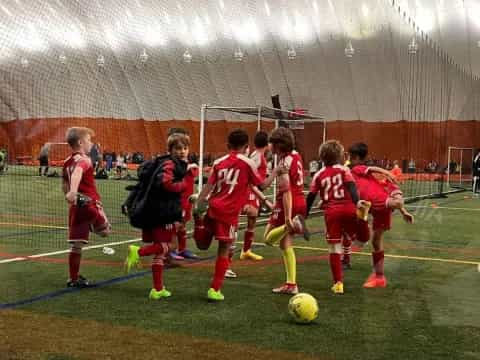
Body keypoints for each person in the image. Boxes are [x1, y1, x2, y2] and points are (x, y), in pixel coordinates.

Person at [191, 129, 277, 301]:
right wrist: (276, 172)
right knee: (224, 250)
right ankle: (215, 289)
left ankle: (197, 221)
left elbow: (208, 187)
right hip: (228, 214)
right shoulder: (248, 163)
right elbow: (262, 185)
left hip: (213, 208)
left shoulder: (218, 162)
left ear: (228, 145)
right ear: (246, 147)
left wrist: (198, 205)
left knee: (202, 246)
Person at [124, 133, 189, 300]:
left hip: (153, 211)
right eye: (178, 148)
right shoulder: (169, 164)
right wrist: (183, 185)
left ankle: (157, 289)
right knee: (168, 246)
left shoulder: (164, 162)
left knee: (161, 252)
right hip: (161, 213)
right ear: (171, 150)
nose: (183, 152)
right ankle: (138, 251)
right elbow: (166, 183)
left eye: (185, 148)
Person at [306, 140, 369, 295]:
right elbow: (351, 187)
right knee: (361, 240)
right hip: (349, 208)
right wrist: (357, 202)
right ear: (341, 156)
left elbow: (311, 196)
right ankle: (361, 225)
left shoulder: (318, 174)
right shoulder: (344, 170)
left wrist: (304, 215)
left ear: (322, 158)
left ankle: (338, 283)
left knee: (334, 247)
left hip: (332, 212)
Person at [348, 142, 414, 288]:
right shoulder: (359, 173)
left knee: (394, 201)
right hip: (374, 208)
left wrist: (387, 173)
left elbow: (373, 169)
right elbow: (372, 170)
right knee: (376, 241)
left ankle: (354, 247)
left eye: (350, 156)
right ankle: (379, 277)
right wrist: (404, 212)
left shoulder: (358, 169)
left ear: (356, 157)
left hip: (379, 202)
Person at [63, 127, 111, 288]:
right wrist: (74, 191)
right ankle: (92, 223)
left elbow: (64, 183)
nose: (91, 143)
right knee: (105, 231)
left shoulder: (66, 162)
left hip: (77, 207)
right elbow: (77, 173)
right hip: (90, 203)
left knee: (77, 244)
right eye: (89, 140)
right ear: (81, 142)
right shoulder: (85, 160)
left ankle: (73, 279)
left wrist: (69, 195)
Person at [263, 127, 309, 295]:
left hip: (288, 203)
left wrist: (288, 218)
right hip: (300, 200)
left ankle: (292, 225)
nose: (270, 146)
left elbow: (286, 191)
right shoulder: (295, 156)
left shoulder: (283, 164)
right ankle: (291, 284)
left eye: (272, 143)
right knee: (285, 244)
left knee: (268, 239)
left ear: (279, 145)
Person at [239, 131, 271, 262]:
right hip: (251, 191)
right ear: (267, 144)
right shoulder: (257, 157)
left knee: (252, 220)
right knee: (249, 215)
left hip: (254, 191)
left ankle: (246, 250)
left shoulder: (258, 155)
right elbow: (248, 172)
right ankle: (241, 249)